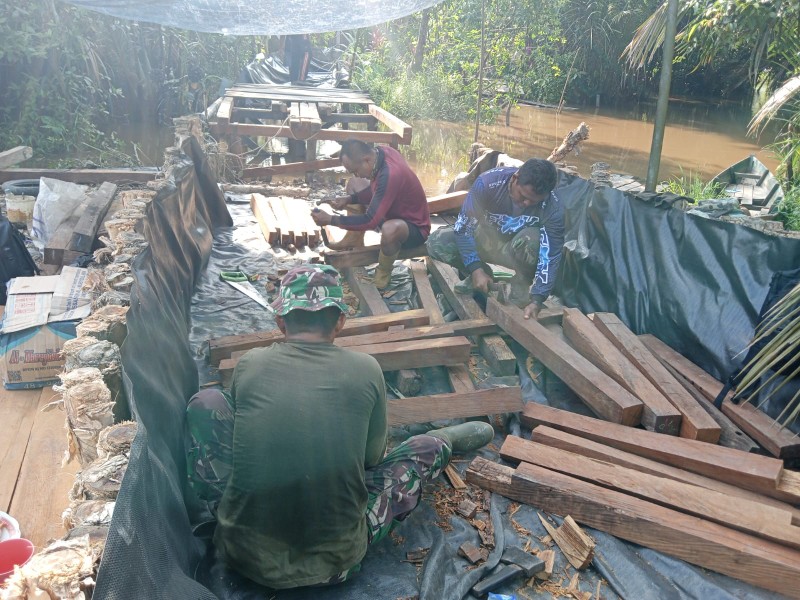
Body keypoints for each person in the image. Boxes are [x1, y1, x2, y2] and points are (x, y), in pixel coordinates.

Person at [185, 264, 493, 590]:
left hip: (241, 555)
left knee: (208, 402)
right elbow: (372, 460)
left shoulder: (251, 364)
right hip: (335, 565)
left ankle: (223, 505)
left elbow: (244, 432)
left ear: (280, 323)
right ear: (341, 323)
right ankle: (443, 441)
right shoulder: (366, 369)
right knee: (421, 451)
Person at [426, 158, 564, 320]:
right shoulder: (487, 183)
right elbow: (463, 228)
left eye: (534, 201)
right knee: (437, 242)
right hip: (485, 240)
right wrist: (475, 268)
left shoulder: (553, 208)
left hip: (516, 250)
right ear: (515, 178)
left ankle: (520, 284)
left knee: (534, 241)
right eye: (523, 195)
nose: (526, 203)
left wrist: (538, 299)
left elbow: (550, 256)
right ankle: (483, 273)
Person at [311, 139, 430, 289]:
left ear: (366, 160)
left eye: (355, 170)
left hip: (414, 229)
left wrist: (330, 219)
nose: (357, 174)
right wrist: (350, 199)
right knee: (354, 183)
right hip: (390, 212)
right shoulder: (381, 152)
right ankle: (354, 239)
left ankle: (383, 271)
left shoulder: (390, 174)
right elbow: (377, 188)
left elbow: (370, 221)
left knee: (390, 229)